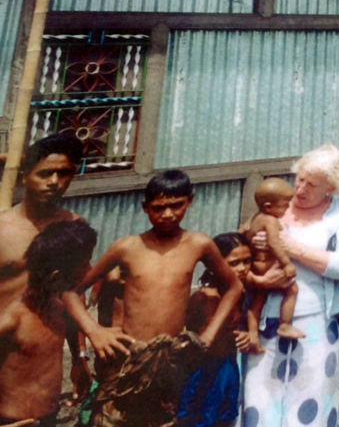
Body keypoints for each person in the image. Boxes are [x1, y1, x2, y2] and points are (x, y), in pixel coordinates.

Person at [62, 169, 244, 427]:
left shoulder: (198, 244)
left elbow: (235, 287)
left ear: (190, 200)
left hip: (169, 360)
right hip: (126, 357)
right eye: (159, 207)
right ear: (145, 207)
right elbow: (71, 292)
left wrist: (208, 335)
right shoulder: (127, 247)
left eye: (176, 205)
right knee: (108, 419)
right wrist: (94, 331)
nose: (168, 214)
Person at [242, 145, 339, 427]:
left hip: (316, 319)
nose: (300, 188)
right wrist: (254, 270)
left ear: (330, 187)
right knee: (259, 400)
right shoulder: (276, 203)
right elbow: (237, 250)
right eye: (300, 178)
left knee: (311, 402)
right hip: (264, 319)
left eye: (311, 184)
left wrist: (294, 249)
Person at [0, 134, 92, 404]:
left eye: (64, 173)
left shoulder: (74, 228)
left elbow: (75, 293)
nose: (55, 182)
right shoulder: (2, 229)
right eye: (45, 173)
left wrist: (80, 356)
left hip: (43, 350)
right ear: (25, 176)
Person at [0, 220, 97, 427]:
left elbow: (72, 332)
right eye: (84, 265)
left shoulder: (58, 308)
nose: (90, 269)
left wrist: (80, 361)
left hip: (48, 418)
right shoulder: (12, 320)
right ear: (56, 277)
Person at [177, 232, 252, 427]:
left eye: (247, 261)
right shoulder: (203, 299)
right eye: (234, 263)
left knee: (225, 420)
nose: (242, 268)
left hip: (228, 370)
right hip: (201, 375)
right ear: (213, 267)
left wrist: (246, 334)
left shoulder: (242, 295)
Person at [245, 178, 303, 353]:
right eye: (284, 205)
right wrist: (286, 264)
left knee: (256, 303)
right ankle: (285, 325)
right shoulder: (270, 219)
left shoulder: (255, 218)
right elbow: (274, 243)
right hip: (268, 266)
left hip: (257, 267)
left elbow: (244, 233)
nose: (287, 209)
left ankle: (253, 337)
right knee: (292, 290)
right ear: (269, 206)